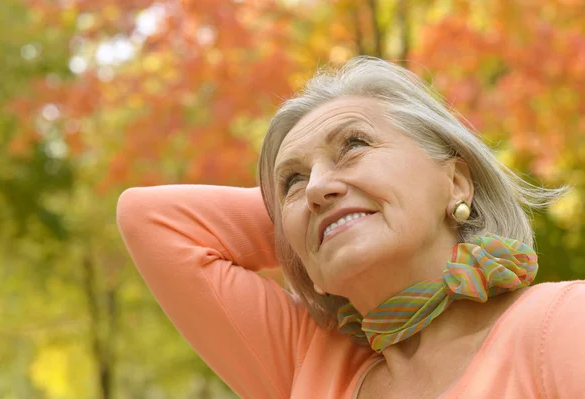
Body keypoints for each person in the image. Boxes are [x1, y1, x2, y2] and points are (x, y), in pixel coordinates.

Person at [116, 56, 584, 398]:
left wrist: (337, 214)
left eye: (353, 145)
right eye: (293, 180)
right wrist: (309, 226)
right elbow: (150, 219)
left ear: (457, 182)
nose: (317, 185)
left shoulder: (560, 321)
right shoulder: (311, 363)